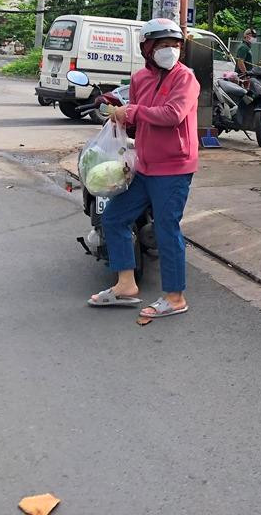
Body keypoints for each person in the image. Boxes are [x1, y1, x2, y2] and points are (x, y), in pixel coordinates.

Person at [89, 18, 199, 319]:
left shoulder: (185, 78)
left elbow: (173, 115)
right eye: (163, 45)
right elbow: (138, 119)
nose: (170, 50)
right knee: (113, 218)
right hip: (145, 165)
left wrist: (133, 110)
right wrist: (117, 110)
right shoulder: (139, 79)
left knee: (166, 229)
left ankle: (175, 297)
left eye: (175, 45)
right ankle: (126, 285)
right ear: (148, 48)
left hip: (174, 166)